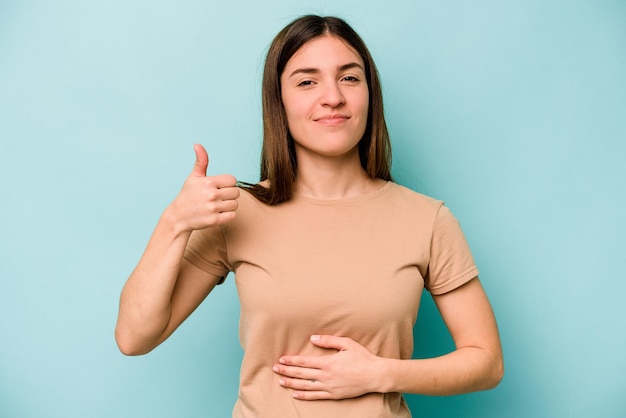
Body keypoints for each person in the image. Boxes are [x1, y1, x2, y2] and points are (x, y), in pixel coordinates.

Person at [115, 15, 503, 418]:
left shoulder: (428, 219)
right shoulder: (236, 212)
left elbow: (487, 361)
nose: (332, 97)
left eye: (350, 78)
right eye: (307, 81)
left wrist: (380, 374)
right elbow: (133, 337)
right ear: (278, 101)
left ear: (370, 94)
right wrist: (174, 222)